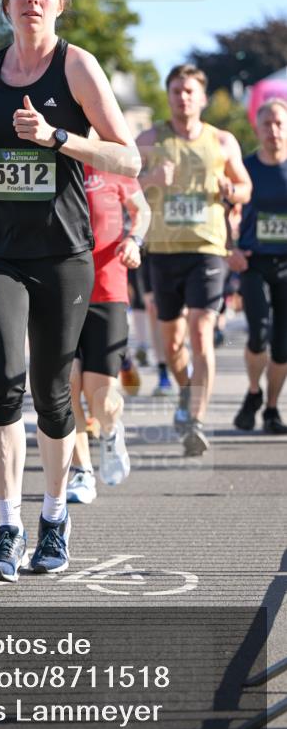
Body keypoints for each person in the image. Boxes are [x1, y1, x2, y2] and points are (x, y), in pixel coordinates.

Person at [0, 0, 141, 582]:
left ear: (59, 3)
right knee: (4, 382)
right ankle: (7, 528)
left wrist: (57, 138)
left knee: (55, 395)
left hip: (62, 253)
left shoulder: (76, 66)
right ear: (5, 2)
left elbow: (128, 158)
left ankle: (54, 516)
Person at [136, 64, 252, 456]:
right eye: (176, 91)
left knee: (201, 332)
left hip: (207, 250)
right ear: (167, 96)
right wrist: (150, 181)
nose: (182, 97)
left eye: (189, 91)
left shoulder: (222, 142)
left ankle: (196, 420)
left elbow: (245, 189)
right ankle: (187, 392)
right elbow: (121, 183)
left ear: (202, 98)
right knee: (172, 346)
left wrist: (230, 189)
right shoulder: (150, 139)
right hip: (163, 252)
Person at [67, 165, 151, 504]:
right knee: (65, 385)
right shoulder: (53, 156)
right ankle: (82, 472)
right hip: (61, 291)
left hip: (107, 290)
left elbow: (141, 209)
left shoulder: (112, 162)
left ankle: (112, 431)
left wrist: (134, 239)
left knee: (99, 394)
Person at [229, 99, 287, 434]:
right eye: (267, 124)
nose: (274, 131)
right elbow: (221, 211)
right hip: (254, 261)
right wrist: (230, 248)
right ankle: (254, 391)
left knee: (282, 345)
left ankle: (271, 408)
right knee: (258, 333)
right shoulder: (245, 168)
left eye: (279, 124)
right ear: (257, 128)